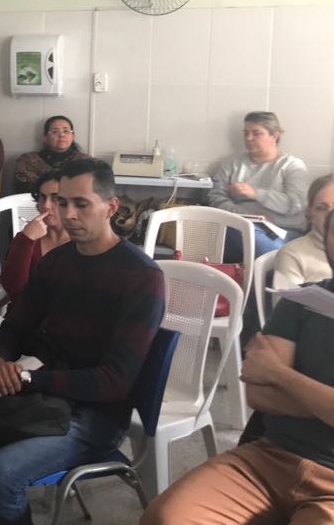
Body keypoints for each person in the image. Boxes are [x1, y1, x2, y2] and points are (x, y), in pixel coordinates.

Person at [0, 157, 165, 525]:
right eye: (62, 202)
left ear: (111, 207)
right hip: (38, 395)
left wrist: (25, 378)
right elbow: (16, 324)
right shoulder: (57, 261)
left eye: (81, 204)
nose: (68, 214)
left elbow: (114, 382)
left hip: (93, 415)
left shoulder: (141, 277)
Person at [140, 210, 334, 525]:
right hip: (271, 458)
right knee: (165, 517)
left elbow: (269, 377)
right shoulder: (305, 300)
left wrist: (279, 375)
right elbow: (258, 393)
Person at [207, 111, 309, 256]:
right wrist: (251, 217)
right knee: (214, 233)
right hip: (240, 227)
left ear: (274, 136)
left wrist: (255, 193)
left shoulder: (292, 166)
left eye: (256, 133)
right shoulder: (231, 164)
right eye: (246, 133)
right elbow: (216, 198)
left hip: (283, 231)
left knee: (258, 245)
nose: (249, 138)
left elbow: (296, 204)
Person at [0, 171, 69, 302]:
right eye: (42, 197)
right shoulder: (26, 238)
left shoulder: (84, 242)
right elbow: (13, 289)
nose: (46, 205)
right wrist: (26, 240)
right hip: (26, 312)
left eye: (55, 198)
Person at [273, 174, 334, 288]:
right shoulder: (292, 254)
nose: (330, 215)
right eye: (321, 208)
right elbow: (286, 299)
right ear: (310, 214)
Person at [11, 116, 88, 195]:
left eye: (66, 131)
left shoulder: (86, 162)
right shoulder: (28, 161)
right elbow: (22, 192)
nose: (61, 135)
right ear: (45, 138)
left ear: (73, 136)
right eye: (55, 131)